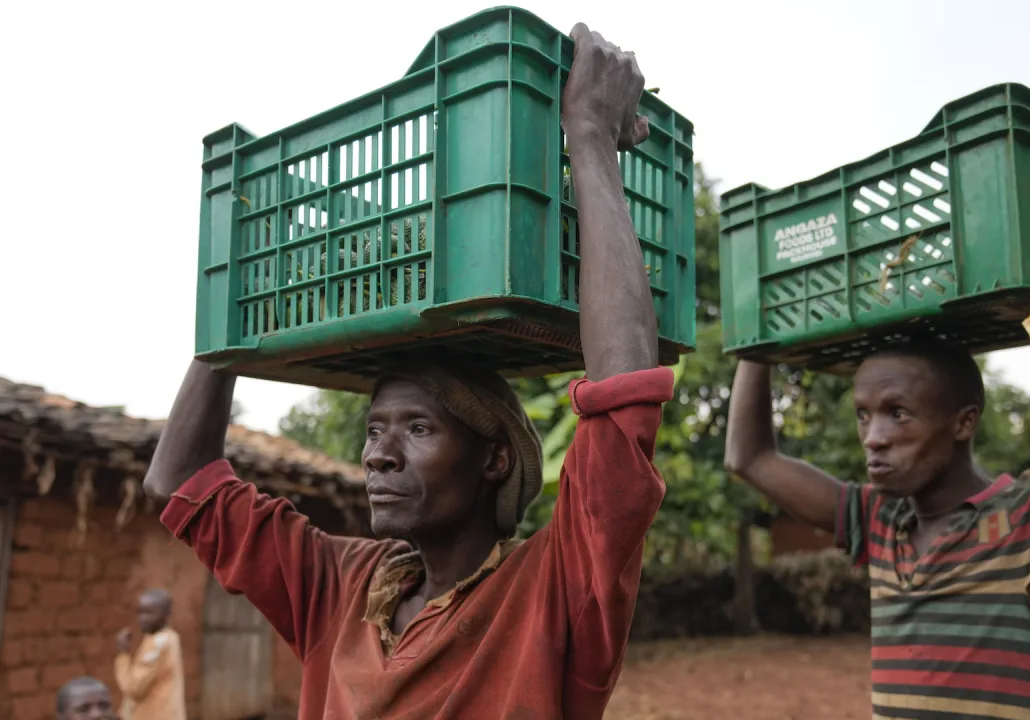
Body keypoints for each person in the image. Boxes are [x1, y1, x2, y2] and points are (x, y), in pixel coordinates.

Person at [142, 22, 671, 719]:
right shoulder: (343, 587)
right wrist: (239, 286)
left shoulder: (554, 589)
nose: (377, 456)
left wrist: (590, 137)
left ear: (493, 459)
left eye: (417, 427)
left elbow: (621, 404)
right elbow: (181, 482)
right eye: (374, 428)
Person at [724, 124, 1030, 719]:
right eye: (863, 415)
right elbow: (750, 458)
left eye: (898, 413)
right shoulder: (878, 523)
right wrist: (756, 325)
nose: (873, 436)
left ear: (964, 422)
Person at [113, 588, 185, 720]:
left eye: (149, 613)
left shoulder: (158, 643)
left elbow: (134, 688)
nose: (143, 618)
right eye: (140, 612)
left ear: (166, 614)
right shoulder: (168, 637)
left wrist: (123, 654)